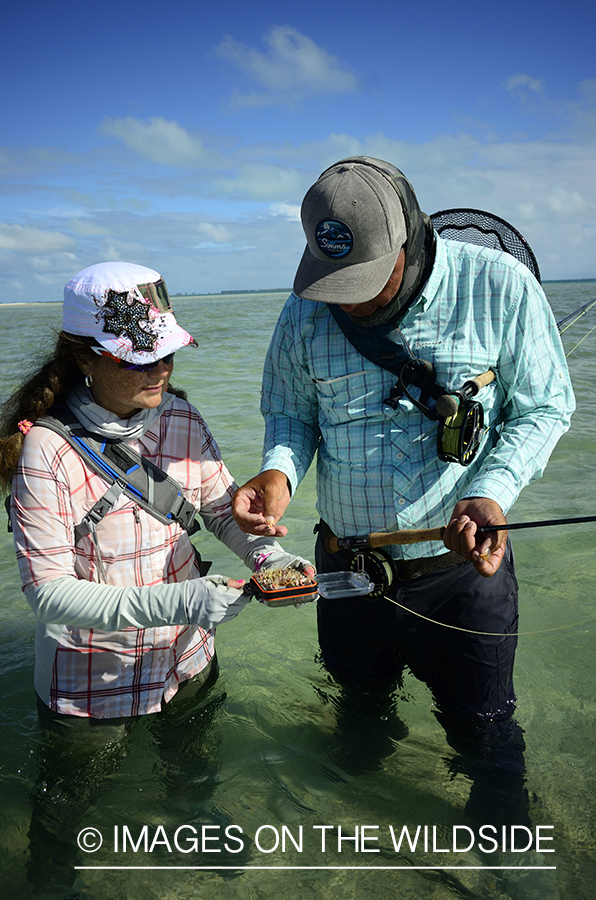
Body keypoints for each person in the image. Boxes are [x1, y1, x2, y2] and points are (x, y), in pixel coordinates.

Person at [232, 158, 575, 837]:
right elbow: (291, 416)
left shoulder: (499, 287)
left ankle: (506, 847)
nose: (345, 302)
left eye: (362, 282)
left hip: (461, 577)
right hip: (346, 570)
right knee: (357, 709)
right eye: (334, 283)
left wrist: (490, 492)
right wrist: (277, 473)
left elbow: (545, 408)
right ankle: (356, 821)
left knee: (484, 734)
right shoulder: (304, 312)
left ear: (410, 241)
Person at [0, 261, 312, 897]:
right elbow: (49, 593)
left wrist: (268, 560)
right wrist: (188, 597)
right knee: (65, 806)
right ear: (86, 357)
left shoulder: (181, 419)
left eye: (166, 352)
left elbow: (224, 508)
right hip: (89, 678)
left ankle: (192, 819)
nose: (161, 371)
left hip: (187, 655)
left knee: (194, 759)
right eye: (140, 358)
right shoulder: (45, 451)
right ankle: (52, 874)